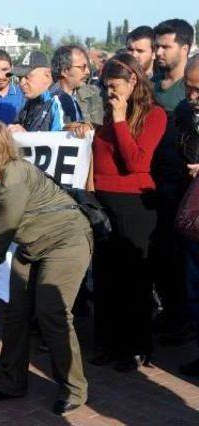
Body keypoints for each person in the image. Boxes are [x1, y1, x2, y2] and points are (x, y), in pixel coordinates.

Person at [0, 118, 92, 416]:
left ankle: (74, 388)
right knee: (14, 312)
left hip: (66, 241)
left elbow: (3, 233)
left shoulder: (14, 176)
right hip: (31, 247)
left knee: (51, 312)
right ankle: (11, 382)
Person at [90, 54, 166, 371]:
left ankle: (136, 347)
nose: (109, 92)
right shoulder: (110, 115)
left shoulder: (155, 115)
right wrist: (93, 129)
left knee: (134, 281)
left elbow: (136, 162)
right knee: (107, 279)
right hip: (106, 203)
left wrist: (120, 120)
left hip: (134, 206)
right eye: (105, 86)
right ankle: (111, 343)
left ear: (133, 81)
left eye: (114, 86)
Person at [151, 19, 196, 345]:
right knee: (163, 259)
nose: (158, 53)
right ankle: (173, 316)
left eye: (165, 46)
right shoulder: (152, 88)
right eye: (156, 46)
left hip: (188, 193)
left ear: (185, 47)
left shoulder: (188, 95)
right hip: (156, 190)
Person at [176, 55, 199, 376]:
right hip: (193, 216)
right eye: (188, 88)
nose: (192, 96)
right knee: (194, 290)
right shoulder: (184, 112)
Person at [8, 51, 70, 132]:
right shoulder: (31, 101)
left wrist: (25, 136)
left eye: (27, 77)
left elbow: (62, 142)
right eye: (19, 78)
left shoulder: (61, 102)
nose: (21, 83)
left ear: (47, 75)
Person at [51, 45, 103, 137]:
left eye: (87, 67)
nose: (87, 72)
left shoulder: (80, 97)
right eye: (82, 67)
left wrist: (88, 125)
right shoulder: (52, 101)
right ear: (64, 71)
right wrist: (68, 130)